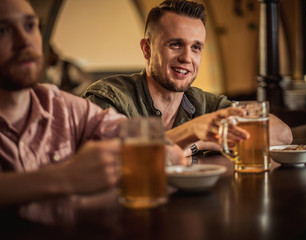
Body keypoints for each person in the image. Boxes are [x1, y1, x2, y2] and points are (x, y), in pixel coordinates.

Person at [0, 0, 185, 207]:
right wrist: (66, 178)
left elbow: (169, 154)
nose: (24, 41)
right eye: (3, 30)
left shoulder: (64, 107)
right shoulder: (106, 93)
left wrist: (154, 156)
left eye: (29, 26)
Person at [82, 0, 293, 156]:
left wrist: (198, 142)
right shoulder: (110, 97)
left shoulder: (204, 103)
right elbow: (105, 159)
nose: (186, 58)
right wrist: (191, 131)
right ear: (147, 49)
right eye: (175, 44)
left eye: (196, 47)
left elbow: (283, 135)